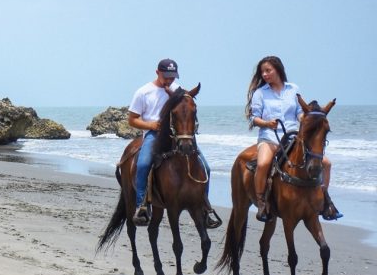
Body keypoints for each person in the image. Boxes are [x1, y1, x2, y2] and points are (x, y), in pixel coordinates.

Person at [127, 58, 222, 228]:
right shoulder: (143, 92)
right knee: (142, 164)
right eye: (166, 76)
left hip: (177, 136)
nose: (170, 80)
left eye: (173, 76)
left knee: (205, 167)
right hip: (154, 135)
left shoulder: (179, 91)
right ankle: (141, 205)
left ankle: (205, 207)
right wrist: (150, 125)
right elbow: (132, 120)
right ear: (157, 72)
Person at [245, 55, 342, 222]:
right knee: (263, 164)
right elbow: (253, 118)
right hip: (269, 138)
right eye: (263, 72)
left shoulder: (293, 89)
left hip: (292, 138)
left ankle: (325, 199)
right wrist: (267, 123)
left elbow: (299, 112)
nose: (265, 75)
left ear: (278, 70)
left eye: (268, 70)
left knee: (326, 163)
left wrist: (305, 119)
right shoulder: (260, 93)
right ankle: (262, 201)